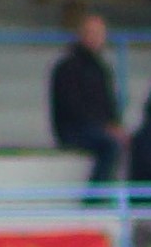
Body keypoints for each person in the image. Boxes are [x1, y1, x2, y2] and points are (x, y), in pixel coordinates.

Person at [49, 10, 124, 183]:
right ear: (81, 35)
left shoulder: (102, 68)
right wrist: (105, 127)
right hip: (73, 130)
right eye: (91, 33)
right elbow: (71, 107)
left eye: (99, 33)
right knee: (111, 145)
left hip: (96, 128)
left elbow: (110, 104)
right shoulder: (66, 68)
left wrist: (115, 125)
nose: (96, 38)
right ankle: (94, 199)